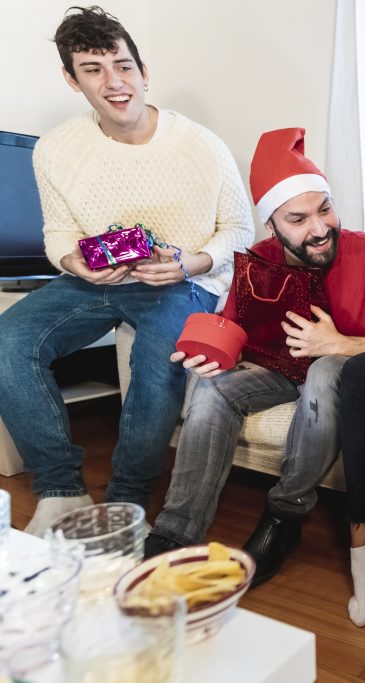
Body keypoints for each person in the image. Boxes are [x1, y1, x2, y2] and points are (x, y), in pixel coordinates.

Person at [143, 128, 365, 589]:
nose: (319, 229)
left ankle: (285, 515)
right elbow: (237, 335)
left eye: (325, 210)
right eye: (298, 219)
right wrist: (211, 354)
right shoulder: (258, 261)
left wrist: (342, 344)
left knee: (324, 370)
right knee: (210, 387)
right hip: (278, 369)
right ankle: (174, 533)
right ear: (272, 226)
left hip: (349, 375)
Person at [0, 6, 253, 535]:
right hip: (98, 279)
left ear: (143, 71)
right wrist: (74, 262)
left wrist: (192, 261)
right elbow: (58, 237)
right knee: (7, 338)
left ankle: (125, 502)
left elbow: (239, 231)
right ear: (72, 79)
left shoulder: (202, 146)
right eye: (93, 69)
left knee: (156, 358)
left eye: (122, 65)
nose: (114, 82)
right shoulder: (56, 149)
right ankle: (61, 489)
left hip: (184, 280)